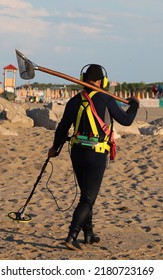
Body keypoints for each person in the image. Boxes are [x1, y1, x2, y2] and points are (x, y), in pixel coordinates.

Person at [48, 64, 139, 250]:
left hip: (77, 153)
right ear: (101, 82)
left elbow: (62, 129)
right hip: (95, 154)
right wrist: (135, 104)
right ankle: (71, 236)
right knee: (88, 199)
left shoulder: (73, 101)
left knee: (85, 195)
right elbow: (127, 120)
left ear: (83, 78)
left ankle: (88, 234)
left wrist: (55, 148)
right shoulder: (106, 99)